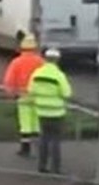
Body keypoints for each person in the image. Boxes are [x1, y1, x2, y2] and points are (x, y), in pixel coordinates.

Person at [28, 47, 72, 175]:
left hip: (41, 111)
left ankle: (42, 166)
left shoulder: (37, 73)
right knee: (56, 140)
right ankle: (56, 168)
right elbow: (67, 93)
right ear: (57, 60)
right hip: (57, 112)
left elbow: (31, 90)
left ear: (44, 59)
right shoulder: (59, 75)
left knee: (44, 139)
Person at [2, 33, 44, 157]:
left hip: (23, 94)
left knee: (25, 122)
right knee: (36, 122)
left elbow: (9, 80)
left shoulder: (17, 62)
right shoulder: (40, 62)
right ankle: (40, 149)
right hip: (38, 95)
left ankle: (25, 149)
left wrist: (11, 93)